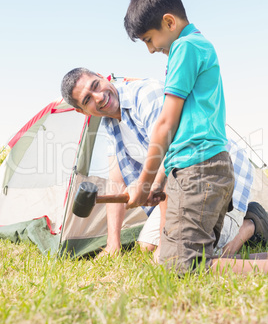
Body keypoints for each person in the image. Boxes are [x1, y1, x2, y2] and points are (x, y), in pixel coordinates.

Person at [61, 68, 268, 274]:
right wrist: (113, 243)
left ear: (100, 76)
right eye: (87, 99)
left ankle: (250, 224)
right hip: (180, 185)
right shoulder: (109, 124)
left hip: (215, 173)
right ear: (82, 111)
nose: (99, 97)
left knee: (197, 253)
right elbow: (116, 180)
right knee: (146, 247)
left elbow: (170, 160)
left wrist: (165, 242)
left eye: (96, 86)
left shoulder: (146, 94)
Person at [123, 0, 266, 274]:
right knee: (176, 259)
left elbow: (165, 125)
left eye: (149, 39)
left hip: (199, 171)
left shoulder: (185, 47)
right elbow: (178, 136)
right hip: (204, 169)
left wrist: (145, 182)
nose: (151, 49)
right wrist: (160, 183)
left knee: (181, 266)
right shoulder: (196, 46)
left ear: (169, 21)